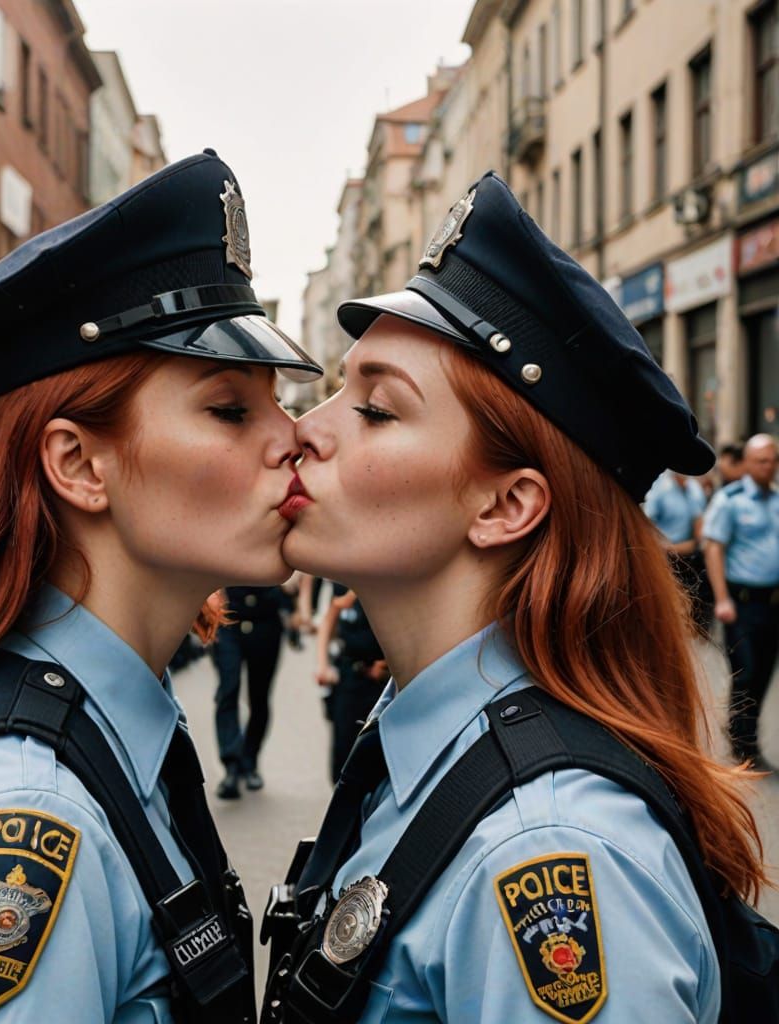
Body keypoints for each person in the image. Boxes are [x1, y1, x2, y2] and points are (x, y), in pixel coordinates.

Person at [0, 150, 321, 1023]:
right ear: (78, 464)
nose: (295, 437)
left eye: (276, 402)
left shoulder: (99, 731)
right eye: (231, 409)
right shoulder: (20, 816)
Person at [263, 171, 770, 1023]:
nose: (305, 429)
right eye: (337, 393)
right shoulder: (432, 741)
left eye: (377, 409)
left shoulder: (549, 848)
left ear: (506, 506)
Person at [703, 434, 779, 768]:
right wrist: (722, 599)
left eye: (773, 460)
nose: (769, 466)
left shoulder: (777, 499)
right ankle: (742, 742)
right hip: (741, 603)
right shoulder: (730, 501)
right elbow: (714, 547)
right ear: (747, 463)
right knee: (745, 673)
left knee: (763, 673)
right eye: (762, 461)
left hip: (772, 604)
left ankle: (748, 734)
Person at [212, 585, 291, 798]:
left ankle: (250, 762)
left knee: (259, 697)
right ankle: (231, 766)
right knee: (228, 688)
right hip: (229, 620)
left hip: (266, 620)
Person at [314, 584, 386, 784]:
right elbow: (330, 616)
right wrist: (322, 664)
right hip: (350, 674)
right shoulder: (343, 584)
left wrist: (389, 664)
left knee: (376, 754)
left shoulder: (386, 581)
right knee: (342, 749)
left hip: (381, 681)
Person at [644, 470, 712, 636]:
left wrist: (696, 543)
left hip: (689, 557)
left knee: (688, 607)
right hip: (663, 556)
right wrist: (666, 548)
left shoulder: (694, 488)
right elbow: (646, 524)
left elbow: (699, 524)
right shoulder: (659, 490)